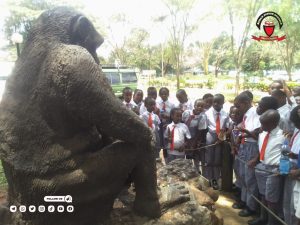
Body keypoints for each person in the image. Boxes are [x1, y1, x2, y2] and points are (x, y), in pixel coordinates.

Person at [248, 110, 284, 225]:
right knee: (263, 195)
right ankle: (263, 218)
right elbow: (263, 148)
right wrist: (256, 159)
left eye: (264, 124)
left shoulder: (283, 135)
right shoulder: (263, 133)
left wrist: (282, 169)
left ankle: (271, 222)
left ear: (274, 123)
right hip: (261, 167)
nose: (262, 126)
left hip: (274, 170)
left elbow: (286, 154)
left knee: (271, 199)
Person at [234, 94, 260, 217]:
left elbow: (257, 131)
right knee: (243, 176)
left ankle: (251, 206)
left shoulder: (254, 112)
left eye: (238, 106)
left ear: (245, 102)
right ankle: (244, 200)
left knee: (250, 179)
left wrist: (244, 134)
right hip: (244, 145)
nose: (237, 109)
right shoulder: (247, 114)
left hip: (251, 146)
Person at [203, 94, 229, 190]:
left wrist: (222, 136)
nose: (216, 104)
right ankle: (209, 178)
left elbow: (227, 127)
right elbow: (204, 128)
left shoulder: (225, 114)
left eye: (219, 102)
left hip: (221, 136)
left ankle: (216, 179)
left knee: (217, 159)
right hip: (211, 135)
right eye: (214, 102)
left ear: (223, 102)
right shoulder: (207, 113)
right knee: (209, 158)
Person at [283, 105, 300, 225]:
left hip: (296, 173)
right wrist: (294, 156)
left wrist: (298, 172)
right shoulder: (297, 131)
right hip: (293, 169)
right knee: (291, 206)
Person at [182, 99, 208, 173]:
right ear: (194, 105)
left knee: (195, 154)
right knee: (186, 153)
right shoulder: (186, 113)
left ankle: (197, 170)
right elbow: (182, 122)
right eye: (198, 106)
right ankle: (187, 169)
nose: (200, 107)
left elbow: (199, 131)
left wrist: (194, 142)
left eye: (202, 106)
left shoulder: (202, 117)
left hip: (194, 138)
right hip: (184, 136)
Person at [228, 106, 244, 209]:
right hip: (236, 153)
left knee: (241, 177)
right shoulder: (232, 124)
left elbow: (239, 139)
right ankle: (238, 197)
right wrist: (232, 147)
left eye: (237, 113)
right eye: (232, 113)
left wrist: (235, 147)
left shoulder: (241, 125)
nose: (234, 115)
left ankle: (241, 200)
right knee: (237, 174)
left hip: (241, 154)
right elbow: (232, 138)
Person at [157, 87, 175, 160]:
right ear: (159, 95)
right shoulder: (157, 103)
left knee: (167, 141)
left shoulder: (172, 104)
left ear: (168, 94)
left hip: (168, 123)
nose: (163, 95)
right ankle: (161, 159)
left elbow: (174, 115)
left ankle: (169, 159)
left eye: (165, 94)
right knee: (160, 142)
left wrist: (168, 117)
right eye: (162, 94)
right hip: (159, 124)